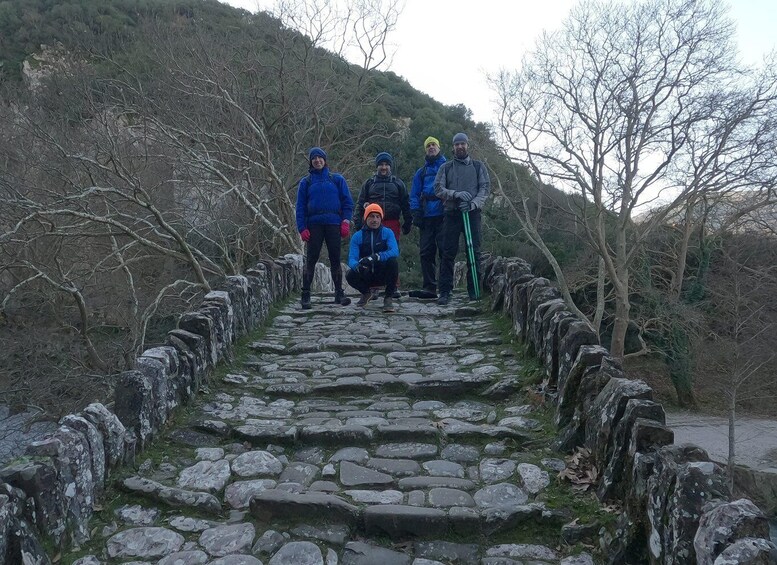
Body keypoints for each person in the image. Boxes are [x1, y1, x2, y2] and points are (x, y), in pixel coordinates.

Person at [433, 133, 490, 306]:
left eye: (462, 144)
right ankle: (444, 291)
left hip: (472, 214)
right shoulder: (446, 167)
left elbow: (485, 189)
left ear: (467, 145)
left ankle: (474, 290)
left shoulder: (478, 166)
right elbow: (438, 188)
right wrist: (455, 194)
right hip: (451, 213)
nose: (460, 147)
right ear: (453, 147)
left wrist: (473, 204)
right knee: (447, 252)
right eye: (457, 144)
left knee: (474, 251)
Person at [295, 147, 354, 309]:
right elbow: (300, 207)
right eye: (314, 158)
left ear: (325, 160)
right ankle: (305, 294)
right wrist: (302, 228)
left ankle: (339, 293)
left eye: (320, 158)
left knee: (335, 258)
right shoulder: (305, 182)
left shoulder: (337, 179)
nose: (317, 161)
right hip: (314, 225)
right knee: (311, 259)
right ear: (311, 162)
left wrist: (345, 222)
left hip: (334, 223)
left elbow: (348, 203)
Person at [353, 152, 411, 298]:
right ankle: (373, 287)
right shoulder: (369, 183)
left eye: (386, 164)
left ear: (390, 166)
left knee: (391, 253)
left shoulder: (398, 183)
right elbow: (360, 204)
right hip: (372, 221)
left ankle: (393, 286)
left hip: (392, 221)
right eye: (381, 164)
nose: (384, 167)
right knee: (370, 252)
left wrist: (408, 222)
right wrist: (359, 223)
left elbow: (405, 203)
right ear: (377, 166)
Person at [409, 136, 447, 295]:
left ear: (439, 148)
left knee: (445, 252)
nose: (431, 147)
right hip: (426, 216)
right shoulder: (421, 172)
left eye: (434, 145)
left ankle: (446, 288)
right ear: (426, 149)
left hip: (444, 215)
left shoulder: (447, 167)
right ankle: (429, 287)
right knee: (426, 252)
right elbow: (414, 194)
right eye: (428, 145)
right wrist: (416, 212)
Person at [346, 203, 400, 313]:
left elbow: (394, 251)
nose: (374, 220)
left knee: (393, 262)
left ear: (381, 218)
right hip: (367, 273)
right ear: (365, 218)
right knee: (350, 274)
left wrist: (377, 257)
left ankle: (388, 298)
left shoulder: (387, 232)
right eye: (371, 216)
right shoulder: (357, 236)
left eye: (377, 216)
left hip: (382, 272)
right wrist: (357, 266)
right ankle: (366, 293)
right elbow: (352, 258)